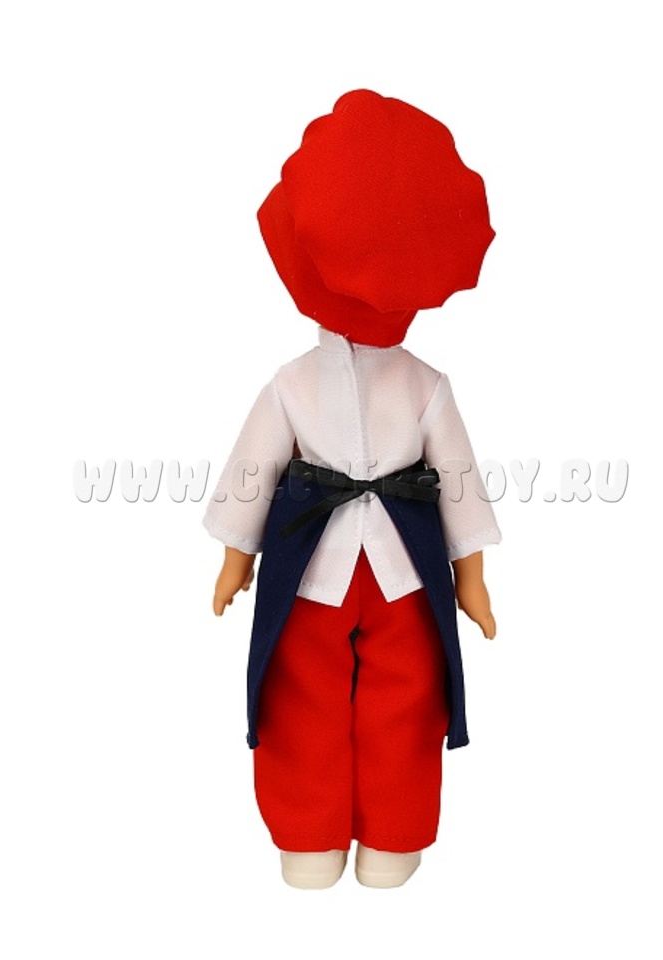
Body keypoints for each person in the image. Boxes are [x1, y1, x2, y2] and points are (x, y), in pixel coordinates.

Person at [203, 89, 501, 889]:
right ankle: (308, 833)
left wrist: (471, 574)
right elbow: (254, 467)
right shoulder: (292, 383)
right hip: (311, 562)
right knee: (301, 698)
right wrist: (237, 555)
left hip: (404, 567)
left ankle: (394, 834)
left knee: (407, 700)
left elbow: (459, 478)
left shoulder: (426, 385)